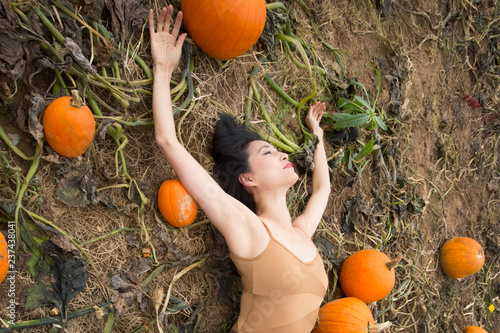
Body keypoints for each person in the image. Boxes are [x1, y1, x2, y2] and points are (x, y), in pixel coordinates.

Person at [149, 6, 330, 332]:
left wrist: (317, 136)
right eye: (268, 151)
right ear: (247, 178)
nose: (282, 154)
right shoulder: (247, 227)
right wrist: (162, 69)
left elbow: (323, 190)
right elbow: (168, 141)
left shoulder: (303, 232)